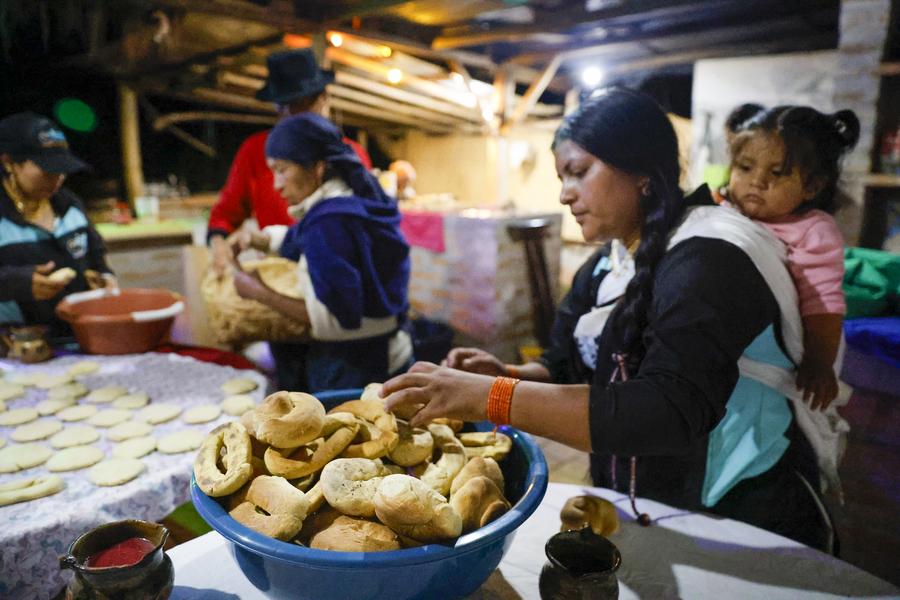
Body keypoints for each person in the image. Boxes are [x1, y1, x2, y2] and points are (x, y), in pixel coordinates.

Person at [382, 88, 838, 553]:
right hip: (648, 498)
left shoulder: (710, 257)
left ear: (641, 171)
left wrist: (494, 398)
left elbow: (668, 408)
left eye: (578, 173)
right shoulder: (606, 266)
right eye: (562, 178)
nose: (564, 195)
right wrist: (509, 376)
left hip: (740, 508)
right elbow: (570, 368)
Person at [230, 113, 412, 392]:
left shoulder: (328, 224)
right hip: (394, 351)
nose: (276, 184)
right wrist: (261, 240)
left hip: (356, 366)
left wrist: (258, 292)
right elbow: (304, 238)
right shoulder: (354, 200)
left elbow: (336, 321)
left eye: (282, 170)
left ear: (318, 167)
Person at [723, 104, 858, 410]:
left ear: (812, 186)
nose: (757, 181)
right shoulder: (722, 212)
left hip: (771, 372)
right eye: (745, 167)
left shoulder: (812, 230)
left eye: (777, 173)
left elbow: (821, 300)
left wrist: (819, 362)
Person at [208, 48, 372, 275]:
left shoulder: (351, 158)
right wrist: (219, 247)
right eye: (281, 106)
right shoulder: (256, 151)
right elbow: (225, 214)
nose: (289, 114)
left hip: (336, 271)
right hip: (279, 271)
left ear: (323, 99)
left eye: (298, 104)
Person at [0, 112, 116, 339]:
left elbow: (96, 256)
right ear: (9, 162)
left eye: (62, 169)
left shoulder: (69, 204)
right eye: (47, 169)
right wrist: (17, 283)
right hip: (17, 349)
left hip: (81, 336)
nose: (58, 178)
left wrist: (105, 277)